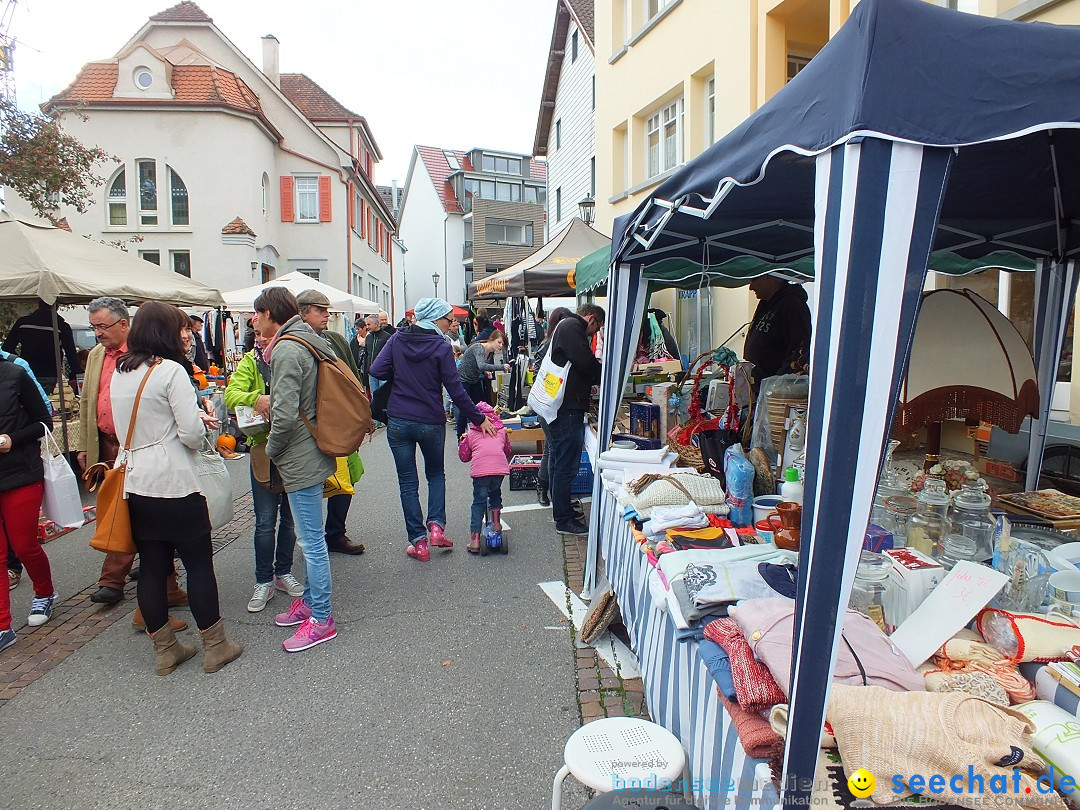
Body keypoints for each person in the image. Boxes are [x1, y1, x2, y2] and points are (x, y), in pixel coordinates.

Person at [109, 301, 242, 675]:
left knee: (152, 566)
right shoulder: (169, 371)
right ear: (165, 333)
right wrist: (202, 425)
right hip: (174, 482)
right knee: (199, 563)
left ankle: (165, 649)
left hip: (136, 480)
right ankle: (215, 646)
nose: (186, 334)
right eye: (180, 328)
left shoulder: (121, 372)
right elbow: (190, 434)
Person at [79, 298, 188, 627]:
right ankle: (140, 596)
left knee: (142, 525)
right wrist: (87, 445)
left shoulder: (140, 360)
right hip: (124, 448)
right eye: (93, 327)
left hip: (136, 450)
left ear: (125, 325)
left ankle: (144, 590)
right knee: (137, 524)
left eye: (103, 326)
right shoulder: (100, 356)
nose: (97, 333)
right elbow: (89, 400)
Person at [370, 297, 497, 562]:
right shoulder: (441, 347)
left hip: (399, 419)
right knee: (435, 475)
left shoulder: (397, 339)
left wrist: (402, 371)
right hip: (430, 420)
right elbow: (456, 390)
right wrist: (478, 419)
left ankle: (419, 543)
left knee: (407, 482)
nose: (451, 324)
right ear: (436, 319)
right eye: (448, 320)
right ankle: (436, 527)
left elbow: (376, 369)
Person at [257, 287, 339, 652]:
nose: (255, 321)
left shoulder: (288, 348)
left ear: (271, 313)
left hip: (300, 455)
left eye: (258, 314)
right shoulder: (308, 340)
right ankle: (309, 602)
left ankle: (322, 619)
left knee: (311, 542)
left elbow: (285, 414)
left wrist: (272, 449)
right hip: (313, 448)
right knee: (312, 537)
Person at [224, 313, 305, 613]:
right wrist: (258, 398)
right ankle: (263, 580)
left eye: (266, 336)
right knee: (264, 521)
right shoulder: (250, 363)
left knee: (290, 520)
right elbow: (231, 394)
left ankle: (283, 572)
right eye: (258, 336)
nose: (261, 340)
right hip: (262, 449)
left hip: (294, 448)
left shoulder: (293, 355)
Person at [296, 290, 365, 556]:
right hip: (308, 425)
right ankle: (310, 540)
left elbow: (353, 377)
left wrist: (363, 413)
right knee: (309, 483)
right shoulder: (293, 343)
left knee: (344, 479)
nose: (327, 314)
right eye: (319, 309)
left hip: (339, 422)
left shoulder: (336, 340)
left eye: (327, 309)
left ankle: (335, 533)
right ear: (302, 312)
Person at [0, 352, 56, 652]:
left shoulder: (15, 373)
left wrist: (12, 438)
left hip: (20, 473)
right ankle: (2, 626)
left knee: (23, 546)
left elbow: (43, 421)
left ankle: (45, 592)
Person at [545, 304, 604, 536]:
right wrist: (604, 372)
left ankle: (563, 510)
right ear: (591, 318)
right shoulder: (572, 327)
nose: (594, 333)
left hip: (566, 405)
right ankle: (563, 519)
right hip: (567, 407)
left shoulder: (567, 326)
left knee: (562, 461)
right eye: (596, 328)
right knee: (566, 464)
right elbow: (585, 362)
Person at [458, 401, 512, 554]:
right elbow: (507, 450)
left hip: (481, 472)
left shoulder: (472, 433)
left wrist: (463, 441)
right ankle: (496, 523)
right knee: (495, 493)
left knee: (478, 502)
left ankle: (475, 539)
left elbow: (464, 456)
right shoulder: (501, 430)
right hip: (498, 470)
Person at [531, 307, 572, 508]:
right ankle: (548, 491)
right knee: (554, 450)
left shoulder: (548, 343)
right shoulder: (552, 345)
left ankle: (547, 490)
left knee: (551, 448)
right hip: (550, 404)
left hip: (549, 404)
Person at [743, 275, 813, 391]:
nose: (751, 287)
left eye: (754, 280)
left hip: (774, 393)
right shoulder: (765, 304)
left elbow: (800, 347)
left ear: (769, 276)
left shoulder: (792, 305)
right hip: (757, 389)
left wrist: (777, 384)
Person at [2, 299, 80, 395]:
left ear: (38, 305)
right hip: (50, 372)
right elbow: (71, 354)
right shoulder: (61, 326)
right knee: (46, 402)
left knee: (27, 402)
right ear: (57, 307)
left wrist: (20, 362)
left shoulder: (23, 323)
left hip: (26, 370)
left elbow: (7, 348)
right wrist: (76, 375)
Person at [456, 329, 510, 437]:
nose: (500, 346)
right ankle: (460, 437)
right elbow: (481, 365)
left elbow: (478, 365)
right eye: (499, 342)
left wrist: (485, 371)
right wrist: (501, 367)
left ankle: (478, 432)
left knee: (479, 406)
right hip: (463, 380)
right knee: (464, 409)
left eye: (502, 344)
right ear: (492, 339)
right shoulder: (479, 348)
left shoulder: (489, 353)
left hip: (474, 379)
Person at [363, 314, 391, 395]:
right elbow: (366, 355)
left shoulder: (387, 337)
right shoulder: (368, 337)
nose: (367, 327)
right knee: (373, 395)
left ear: (375, 324)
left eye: (369, 324)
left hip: (383, 372)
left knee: (383, 395)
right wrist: (366, 371)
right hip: (371, 372)